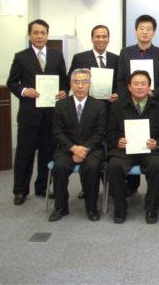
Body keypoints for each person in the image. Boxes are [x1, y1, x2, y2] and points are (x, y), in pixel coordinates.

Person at [7, 19, 69, 205]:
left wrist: (64, 91)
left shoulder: (57, 56)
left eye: (43, 33)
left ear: (47, 35)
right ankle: (20, 190)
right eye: (36, 33)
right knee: (24, 155)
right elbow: (12, 83)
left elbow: (64, 81)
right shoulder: (21, 56)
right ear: (29, 35)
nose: (39, 36)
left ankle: (42, 187)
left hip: (51, 115)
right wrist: (24, 91)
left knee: (46, 154)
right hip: (29, 116)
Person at [116, 15, 159, 195]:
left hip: (152, 107)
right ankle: (132, 186)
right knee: (131, 144)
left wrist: (152, 93)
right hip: (130, 106)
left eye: (149, 28)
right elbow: (119, 80)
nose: (145, 31)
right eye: (141, 28)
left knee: (152, 145)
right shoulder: (125, 53)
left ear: (154, 32)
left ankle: (156, 187)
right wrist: (128, 98)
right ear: (135, 31)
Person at [106, 70, 159, 224]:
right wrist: (117, 141)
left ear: (149, 87)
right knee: (113, 166)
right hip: (124, 150)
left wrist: (157, 144)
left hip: (150, 151)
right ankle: (120, 209)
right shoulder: (118, 106)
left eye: (143, 84)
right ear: (129, 87)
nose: (139, 87)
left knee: (157, 166)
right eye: (135, 84)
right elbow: (109, 133)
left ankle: (151, 210)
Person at [68, 24, 119, 200]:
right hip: (88, 112)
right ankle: (88, 188)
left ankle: (111, 188)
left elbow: (120, 81)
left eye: (104, 36)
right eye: (97, 36)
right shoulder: (80, 58)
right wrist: (83, 75)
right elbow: (72, 79)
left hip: (110, 111)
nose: (101, 39)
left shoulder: (115, 59)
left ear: (108, 39)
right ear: (92, 39)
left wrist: (117, 93)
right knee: (89, 150)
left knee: (109, 151)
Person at [49, 69, 107, 222]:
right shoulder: (61, 105)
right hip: (67, 148)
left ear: (89, 85)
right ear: (70, 85)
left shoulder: (99, 106)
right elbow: (57, 132)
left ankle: (91, 207)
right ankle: (60, 207)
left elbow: (100, 133)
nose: (80, 86)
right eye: (76, 82)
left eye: (84, 82)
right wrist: (73, 148)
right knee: (59, 166)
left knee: (92, 167)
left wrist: (85, 149)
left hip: (92, 148)